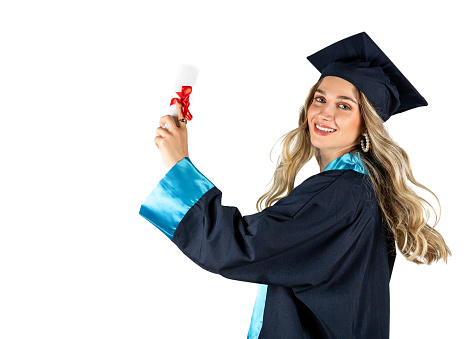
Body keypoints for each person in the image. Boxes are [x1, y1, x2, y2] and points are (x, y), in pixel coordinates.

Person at [139, 32, 451, 339]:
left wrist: (178, 164)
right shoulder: (363, 187)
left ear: (367, 123)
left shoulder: (342, 192)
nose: (324, 113)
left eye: (345, 106)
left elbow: (240, 247)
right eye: (320, 98)